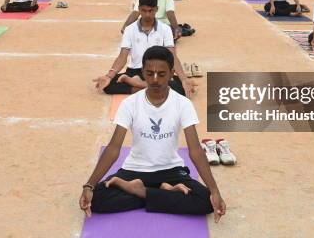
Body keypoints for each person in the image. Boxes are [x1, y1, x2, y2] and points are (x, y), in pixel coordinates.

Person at [81, 46, 226, 220]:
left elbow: (195, 150)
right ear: (142, 72)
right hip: (134, 170)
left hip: (171, 171)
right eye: (149, 73)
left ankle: (141, 193)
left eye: (162, 74)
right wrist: (89, 186)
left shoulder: (182, 104)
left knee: (205, 200)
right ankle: (160, 194)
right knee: (97, 198)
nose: (155, 79)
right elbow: (113, 148)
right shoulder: (130, 103)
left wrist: (215, 190)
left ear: (172, 73)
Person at [96, 0, 194, 96]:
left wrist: (184, 79)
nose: (147, 14)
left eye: (150, 11)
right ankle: (153, 88)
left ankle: (136, 84)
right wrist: (109, 76)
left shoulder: (165, 29)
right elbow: (123, 56)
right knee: (108, 85)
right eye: (144, 10)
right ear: (139, 9)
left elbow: (172, 55)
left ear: (156, 9)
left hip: (158, 71)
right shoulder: (130, 29)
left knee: (182, 88)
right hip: (135, 72)